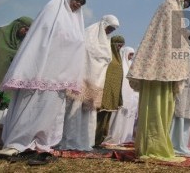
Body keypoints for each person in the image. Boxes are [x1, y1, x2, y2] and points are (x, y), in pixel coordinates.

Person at [0, 0, 86, 159]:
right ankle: (17, 143)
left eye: (81, 2)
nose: (77, 4)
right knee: (30, 106)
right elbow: (39, 42)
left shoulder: (76, 24)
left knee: (50, 111)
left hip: (60, 75)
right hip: (42, 71)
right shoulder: (52, 12)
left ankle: (42, 143)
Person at [127, 0, 190, 162]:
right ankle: (153, 146)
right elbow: (168, 38)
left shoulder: (173, 11)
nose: (186, 5)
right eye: (186, 1)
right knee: (156, 106)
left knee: (164, 107)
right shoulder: (168, 8)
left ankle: (154, 144)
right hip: (160, 68)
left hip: (165, 68)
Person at [59, 15, 119, 151]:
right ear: (103, 24)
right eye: (109, 28)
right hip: (81, 77)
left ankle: (85, 142)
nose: (110, 31)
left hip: (96, 81)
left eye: (113, 30)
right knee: (74, 110)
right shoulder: (88, 35)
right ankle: (69, 140)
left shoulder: (105, 42)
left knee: (88, 113)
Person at [0, 16, 33, 126]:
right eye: (25, 29)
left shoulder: (20, 43)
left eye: (29, 31)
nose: (26, 33)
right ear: (17, 25)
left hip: (0, 88)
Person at [103, 46, 139, 145]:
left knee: (129, 118)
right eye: (130, 54)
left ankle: (125, 139)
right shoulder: (120, 66)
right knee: (117, 118)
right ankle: (114, 138)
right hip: (121, 97)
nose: (131, 57)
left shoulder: (131, 66)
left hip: (131, 98)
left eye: (132, 55)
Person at [95, 35, 125, 146]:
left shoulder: (119, 59)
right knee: (98, 117)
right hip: (103, 93)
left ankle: (99, 140)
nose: (120, 47)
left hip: (113, 95)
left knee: (106, 119)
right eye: (118, 44)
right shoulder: (107, 56)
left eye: (122, 45)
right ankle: (92, 140)